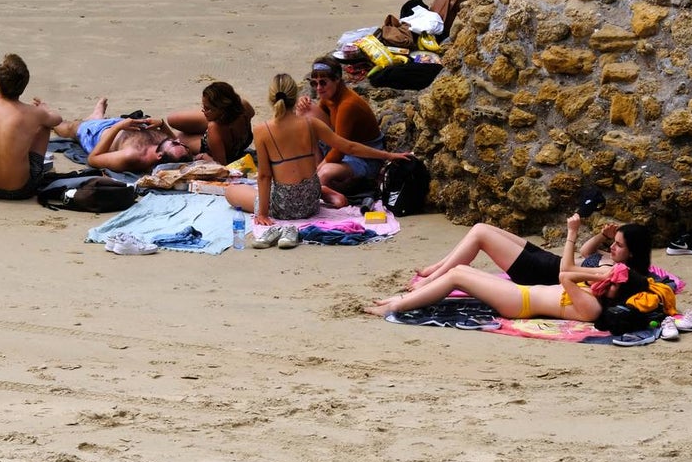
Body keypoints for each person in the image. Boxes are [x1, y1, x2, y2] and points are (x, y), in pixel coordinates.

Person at [367, 214, 666, 322]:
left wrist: (598, 269)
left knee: (458, 275)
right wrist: (603, 269)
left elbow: (565, 274)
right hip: (521, 292)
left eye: (610, 281)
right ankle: (398, 301)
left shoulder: (593, 307)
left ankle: (396, 307)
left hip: (519, 303)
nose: (605, 279)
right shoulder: (598, 291)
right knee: (464, 273)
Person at [225, 73, 413, 225]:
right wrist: (389, 155)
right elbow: (349, 147)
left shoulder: (262, 131)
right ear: (294, 97)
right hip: (311, 201)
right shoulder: (310, 124)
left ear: (271, 98)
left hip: (284, 207)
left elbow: (265, 176)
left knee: (231, 192)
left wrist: (263, 214)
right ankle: (323, 190)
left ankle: (324, 190)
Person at [409, 220, 621, 292]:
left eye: (619, 244)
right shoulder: (611, 257)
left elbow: (567, 270)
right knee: (480, 227)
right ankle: (436, 268)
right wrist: (603, 235)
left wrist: (571, 233)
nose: (613, 246)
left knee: (481, 236)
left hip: (540, 273)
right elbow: (586, 252)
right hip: (547, 260)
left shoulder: (610, 270)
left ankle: (431, 280)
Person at [0, 53, 63, 200]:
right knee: (44, 126)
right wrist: (45, 110)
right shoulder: (34, 113)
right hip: (20, 189)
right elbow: (57, 120)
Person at [295, 56, 386, 195]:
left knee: (324, 174)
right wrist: (303, 104)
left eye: (323, 83)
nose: (319, 88)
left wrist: (317, 172)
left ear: (337, 79)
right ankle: (317, 177)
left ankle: (323, 185)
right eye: (315, 84)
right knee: (305, 110)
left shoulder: (347, 105)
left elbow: (341, 150)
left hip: (363, 157)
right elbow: (319, 123)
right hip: (343, 147)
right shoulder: (330, 96)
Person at [53, 97, 191, 173]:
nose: (177, 140)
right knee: (94, 120)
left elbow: (93, 159)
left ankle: (47, 117)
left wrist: (117, 127)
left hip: (99, 132)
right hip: (125, 124)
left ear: (159, 156)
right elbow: (175, 144)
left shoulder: (131, 156)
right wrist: (162, 124)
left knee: (70, 127)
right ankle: (96, 116)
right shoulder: (168, 149)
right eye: (180, 143)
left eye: (174, 143)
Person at [161, 81, 255, 165]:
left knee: (180, 138)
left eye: (208, 108)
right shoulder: (243, 106)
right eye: (204, 107)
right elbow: (252, 113)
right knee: (172, 119)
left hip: (217, 142)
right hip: (226, 129)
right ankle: (207, 124)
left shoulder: (214, 127)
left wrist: (206, 158)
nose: (203, 111)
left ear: (222, 109)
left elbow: (221, 166)